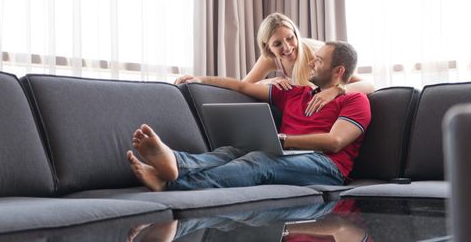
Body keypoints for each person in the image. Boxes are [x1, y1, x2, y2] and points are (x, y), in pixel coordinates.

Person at [127, 41, 371, 192]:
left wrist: (283, 140)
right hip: (287, 152)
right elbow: (242, 87)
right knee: (230, 152)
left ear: (338, 71)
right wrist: (202, 79)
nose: (310, 64)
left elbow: (335, 141)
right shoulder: (296, 93)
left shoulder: (354, 100)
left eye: (318, 60)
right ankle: (176, 162)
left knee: (261, 160)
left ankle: (170, 183)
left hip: (326, 165)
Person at [243, 13, 374, 115]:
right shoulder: (270, 58)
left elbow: (368, 85)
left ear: (296, 34)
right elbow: (241, 88)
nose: (287, 48)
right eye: (277, 44)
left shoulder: (315, 55)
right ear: (268, 48)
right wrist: (263, 83)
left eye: (290, 38)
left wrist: (335, 90)